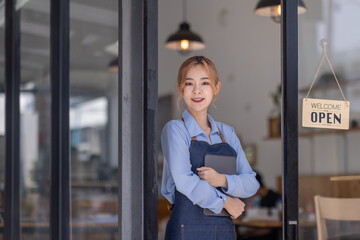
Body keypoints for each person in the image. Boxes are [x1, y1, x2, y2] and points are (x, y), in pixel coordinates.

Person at [161, 56, 260, 240]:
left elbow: (251, 183)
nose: (197, 91)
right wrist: (226, 202)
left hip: (223, 230)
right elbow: (184, 181)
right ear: (180, 89)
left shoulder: (227, 133)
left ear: (216, 88)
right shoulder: (175, 130)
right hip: (185, 230)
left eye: (205, 83)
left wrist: (221, 180)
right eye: (189, 84)